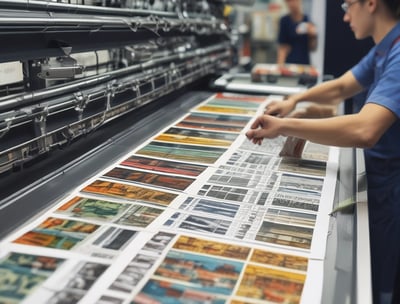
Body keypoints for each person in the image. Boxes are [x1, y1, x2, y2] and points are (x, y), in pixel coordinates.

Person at [246, 0, 400, 303]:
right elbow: (342, 86)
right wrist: (294, 101)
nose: (344, 16)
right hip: (377, 181)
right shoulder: (386, 45)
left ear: (371, 3)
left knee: (379, 282)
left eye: (347, 5)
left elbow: (365, 130)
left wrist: (284, 126)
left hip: (391, 193)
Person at [276, 0, 318, 65]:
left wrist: (313, 36)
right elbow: (282, 47)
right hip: (289, 64)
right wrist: (280, 66)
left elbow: (313, 47)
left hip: (304, 65)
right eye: (288, 1)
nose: (291, 4)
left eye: (293, 1)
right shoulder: (284, 21)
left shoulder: (308, 20)